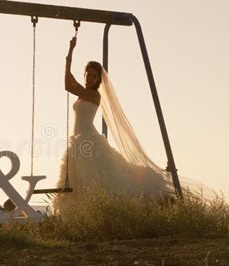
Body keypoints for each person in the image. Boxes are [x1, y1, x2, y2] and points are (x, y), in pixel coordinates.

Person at [53, 36, 215, 213]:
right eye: (88, 74)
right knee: (78, 182)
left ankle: (113, 210)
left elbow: (68, 86)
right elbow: (68, 82)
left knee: (99, 180)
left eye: (94, 75)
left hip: (88, 140)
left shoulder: (93, 95)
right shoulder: (82, 93)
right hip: (77, 142)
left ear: (99, 79)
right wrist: (69, 53)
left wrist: (70, 54)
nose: (90, 78)